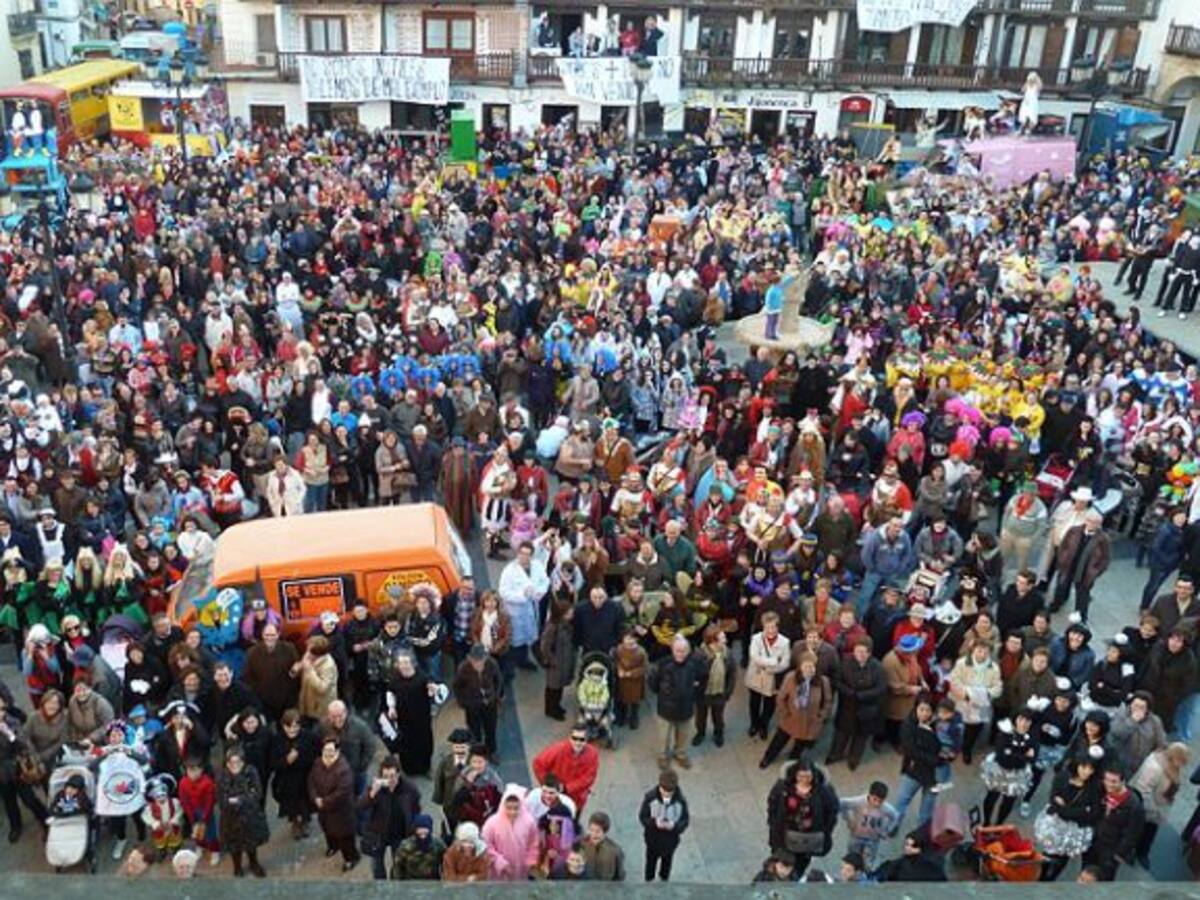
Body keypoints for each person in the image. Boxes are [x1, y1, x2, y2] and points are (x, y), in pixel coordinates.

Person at [766, 755, 839, 875]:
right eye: (801, 776)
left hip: (809, 836)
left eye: (808, 776)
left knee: (801, 862)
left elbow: (832, 811)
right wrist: (773, 823)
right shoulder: (783, 787)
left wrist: (825, 829)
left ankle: (796, 875)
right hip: (785, 832)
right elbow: (773, 804)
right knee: (781, 862)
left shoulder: (823, 791)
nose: (804, 779)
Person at [760, 651, 833, 768]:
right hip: (791, 718)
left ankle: (791, 762)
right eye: (806, 666)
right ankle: (768, 757)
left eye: (812, 666)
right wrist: (784, 712)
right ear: (800, 667)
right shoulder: (791, 678)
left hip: (810, 722)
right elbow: (781, 697)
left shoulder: (823, 681)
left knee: (801, 745)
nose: (809, 669)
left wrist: (821, 716)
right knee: (779, 740)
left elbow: (827, 701)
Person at [1129, 742, 1191, 871]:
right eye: (1182, 761)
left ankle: (1142, 852)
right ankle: (1131, 853)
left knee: (1149, 831)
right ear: (1174, 757)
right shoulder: (1155, 768)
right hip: (1148, 807)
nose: (1183, 766)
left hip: (1158, 807)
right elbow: (1143, 791)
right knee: (1137, 830)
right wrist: (1155, 811)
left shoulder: (1169, 764)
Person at [647, 635, 706, 769]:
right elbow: (652, 682)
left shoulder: (694, 664)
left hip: (686, 708)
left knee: (683, 736)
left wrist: (694, 692)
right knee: (664, 737)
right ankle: (663, 757)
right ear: (672, 650)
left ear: (688, 651)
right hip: (666, 708)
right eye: (678, 650)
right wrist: (663, 695)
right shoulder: (663, 664)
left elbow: (702, 678)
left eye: (684, 650)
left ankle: (680, 754)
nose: (680, 653)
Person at [358, 755, 421, 880]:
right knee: (377, 866)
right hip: (378, 834)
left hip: (399, 834)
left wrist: (413, 829)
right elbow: (360, 806)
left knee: (398, 864)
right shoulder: (376, 787)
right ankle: (381, 885)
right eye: (385, 776)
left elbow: (416, 810)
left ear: (398, 774)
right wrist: (372, 793)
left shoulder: (409, 789)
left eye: (392, 776)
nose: (389, 780)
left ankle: (394, 884)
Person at [827, 637, 886, 770]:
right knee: (841, 734)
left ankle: (854, 759)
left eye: (863, 652)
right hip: (847, 706)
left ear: (869, 653)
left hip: (867, 708)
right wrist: (849, 693)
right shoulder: (845, 663)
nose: (860, 654)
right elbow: (837, 681)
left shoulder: (877, 668)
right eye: (857, 651)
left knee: (860, 737)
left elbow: (880, 688)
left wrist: (861, 695)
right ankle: (835, 754)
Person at [1081, 761, 1145, 881]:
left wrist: (1118, 855)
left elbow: (1132, 834)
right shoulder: (1101, 791)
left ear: (1123, 781)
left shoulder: (1134, 806)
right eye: (1106, 780)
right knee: (1085, 874)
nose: (1109, 784)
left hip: (1109, 852)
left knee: (1103, 880)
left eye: (1114, 781)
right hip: (1092, 844)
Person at [308, 736, 361, 872]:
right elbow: (311, 781)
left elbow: (342, 793)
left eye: (331, 750)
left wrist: (323, 802)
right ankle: (333, 846)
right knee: (328, 831)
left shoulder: (344, 769)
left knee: (345, 837)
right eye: (325, 750)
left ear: (337, 751)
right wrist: (315, 798)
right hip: (324, 810)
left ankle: (351, 858)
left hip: (341, 812)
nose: (328, 754)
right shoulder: (318, 763)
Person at [216, 745, 268, 877]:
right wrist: (243, 797)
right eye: (231, 762)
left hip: (249, 816)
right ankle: (237, 866)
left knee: (251, 843)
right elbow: (222, 799)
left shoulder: (251, 772)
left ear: (243, 762)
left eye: (238, 762)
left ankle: (254, 863)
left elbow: (257, 793)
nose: (234, 765)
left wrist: (238, 799)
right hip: (230, 819)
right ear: (227, 763)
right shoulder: (222, 776)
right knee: (234, 845)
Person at [532, 724, 601, 813]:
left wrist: (566, 788)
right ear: (570, 738)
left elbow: (588, 778)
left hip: (576, 800)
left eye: (582, 739)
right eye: (575, 738)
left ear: (587, 739)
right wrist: (549, 785)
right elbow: (538, 764)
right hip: (555, 798)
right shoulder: (558, 749)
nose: (577, 742)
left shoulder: (593, 754)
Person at [638, 768, 689, 882]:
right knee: (650, 863)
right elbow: (643, 817)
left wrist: (674, 826)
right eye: (663, 791)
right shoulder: (650, 797)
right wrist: (654, 823)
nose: (665, 795)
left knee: (667, 864)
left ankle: (664, 878)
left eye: (669, 793)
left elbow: (685, 821)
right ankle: (649, 879)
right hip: (652, 840)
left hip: (670, 841)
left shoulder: (681, 801)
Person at [452, 644, 502, 757]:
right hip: (472, 706)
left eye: (481, 661)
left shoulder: (492, 664)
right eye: (475, 661)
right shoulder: (463, 668)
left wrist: (495, 696)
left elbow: (498, 680)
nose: (478, 664)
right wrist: (463, 703)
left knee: (491, 729)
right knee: (474, 731)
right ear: (470, 659)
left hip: (490, 704)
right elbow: (457, 687)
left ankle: (491, 751)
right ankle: (477, 753)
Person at [482, 784, 540, 881]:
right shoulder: (491, 823)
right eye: (509, 808)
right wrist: (500, 862)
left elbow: (533, 844)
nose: (512, 812)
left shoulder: (529, 822)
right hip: (498, 873)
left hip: (521, 870)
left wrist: (530, 862)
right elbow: (486, 845)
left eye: (516, 808)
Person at [837, 782, 899, 873]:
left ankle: (865, 875)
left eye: (880, 801)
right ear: (869, 795)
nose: (877, 804)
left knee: (868, 862)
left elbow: (895, 817)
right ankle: (851, 874)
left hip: (873, 839)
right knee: (852, 858)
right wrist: (849, 820)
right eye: (875, 799)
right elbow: (842, 803)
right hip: (856, 836)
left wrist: (886, 831)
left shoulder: (886, 808)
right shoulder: (858, 802)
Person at [874, 829, 946, 882]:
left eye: (914, 846)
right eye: (907, 844)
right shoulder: (894, 866)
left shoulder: (931, 869)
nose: (908, 848)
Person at [393, 814, 446, 880]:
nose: (422, 834)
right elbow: (398, 867)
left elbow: (446, 864)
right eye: (419, 830)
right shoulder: (405, 846)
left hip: (432, 882)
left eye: (425, 830)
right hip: (410, 882)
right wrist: (398, 883)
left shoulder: (438, 845)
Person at [581, 811, 626, 881]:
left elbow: (619, 877)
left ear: (605, 831)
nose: (594, 835)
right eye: (591, 830)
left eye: (597, 831)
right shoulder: (580, 845)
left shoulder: (615, 851)